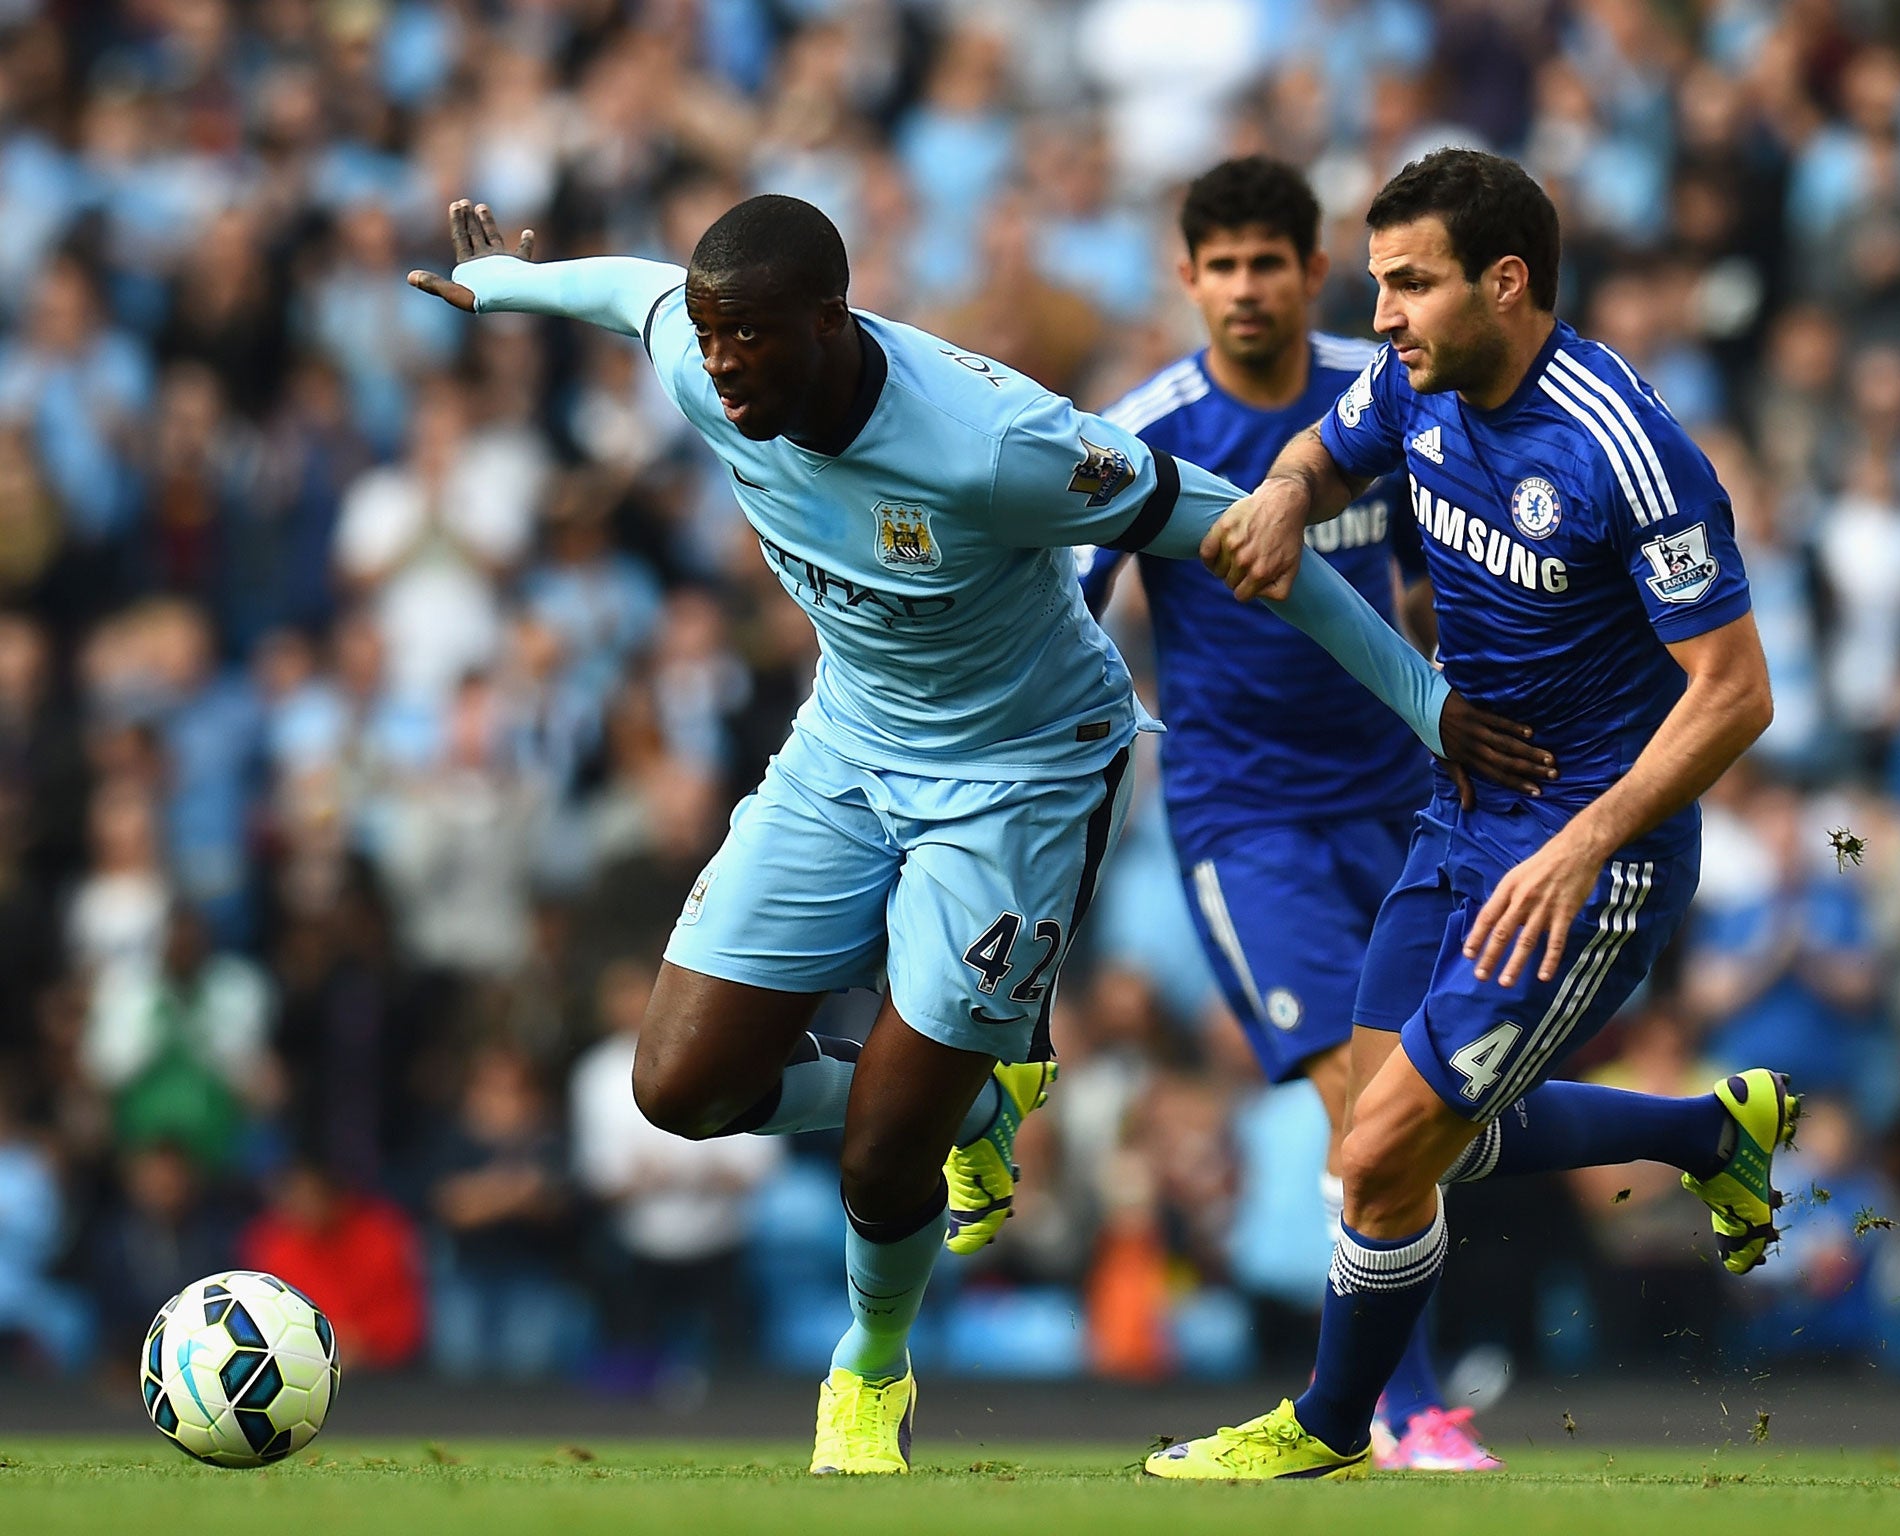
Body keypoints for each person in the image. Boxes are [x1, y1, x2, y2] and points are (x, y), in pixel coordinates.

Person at [409, 192, 1550, 1473]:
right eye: (713, 337)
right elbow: (636, 293)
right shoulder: (701, 362)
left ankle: (869, 1369)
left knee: (876, 1153)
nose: (722, 366)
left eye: (750, 340)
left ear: (830, 322)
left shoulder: (995, 445)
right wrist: (516, 285)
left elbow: (1250, 531)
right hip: (846, 747)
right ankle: (966, 1108)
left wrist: (1425, 701)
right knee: (678, 1090)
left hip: (1020, 778)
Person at [1148, 148, 1789, 1481]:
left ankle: (1332, 1427)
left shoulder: (1623, 446)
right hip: (1457, 819)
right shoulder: (1413, 386)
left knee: (1382, 1156)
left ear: (1507, 283)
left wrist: (1582, 844)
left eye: (1409, 285)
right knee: (1404, 1130)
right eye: (1378, 284)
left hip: (1583, 863)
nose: (1379, 318)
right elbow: (1323, 454)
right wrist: (1276, 497)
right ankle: (1708, 1133)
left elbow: (1735, 696)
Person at [1073, 155, 1495, 1471]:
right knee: (1365, 1116)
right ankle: (1405, 1406)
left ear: (1315, 272)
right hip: (1247, 822)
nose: (1247, 286)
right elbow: (1067, 612)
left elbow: (1437, 569)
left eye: (1272, 261)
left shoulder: (1378, 396)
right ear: (1187, 278)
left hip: (1409, 804)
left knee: (1450, 1107)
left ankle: (1700, 1130)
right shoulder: (1145, 433)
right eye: (1223, 264)